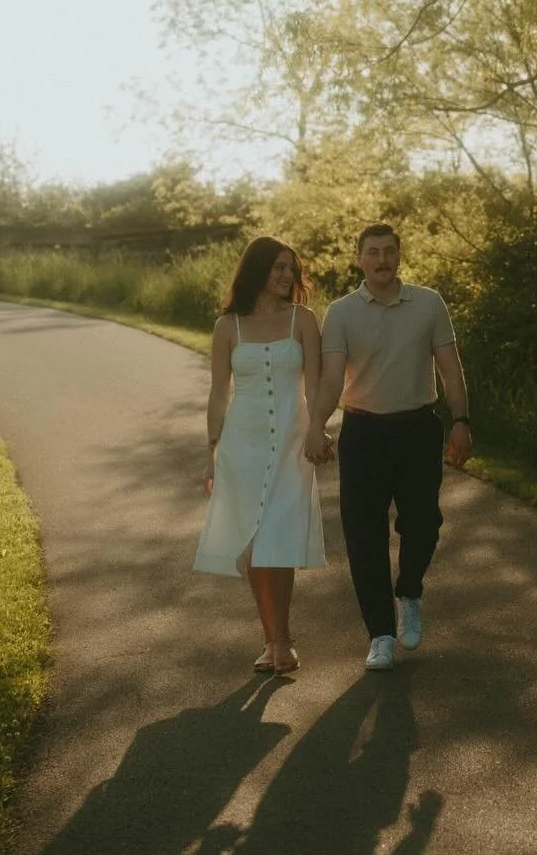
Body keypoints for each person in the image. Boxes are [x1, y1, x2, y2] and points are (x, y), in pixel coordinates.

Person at [305, 224, 471, 671]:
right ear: (359, 259)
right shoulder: (340, 313)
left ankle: (409, 592)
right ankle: (380, 633)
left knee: (424, 522)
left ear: (399, 256)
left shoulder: (429, 302)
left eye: (389, 252)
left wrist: (461, 422)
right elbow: (332, 378)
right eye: (373, 252)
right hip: (363, 435)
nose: (382, 260)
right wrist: (315, 425)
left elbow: (451, 371)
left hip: (419, 429)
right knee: (364, 537)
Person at [195, 235, 326, 675]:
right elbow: (218, 395)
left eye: (291, 267)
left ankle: (284, 640)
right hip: (242, 445)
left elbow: (316, 385)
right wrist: (211, 451)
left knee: (280, 541)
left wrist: (318, 430)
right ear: (257, 270)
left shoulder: (303, 321)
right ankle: (269, 638)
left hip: (291, 442)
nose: (287, 275)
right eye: (278, 267)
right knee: (252, 546)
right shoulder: (226, 327)